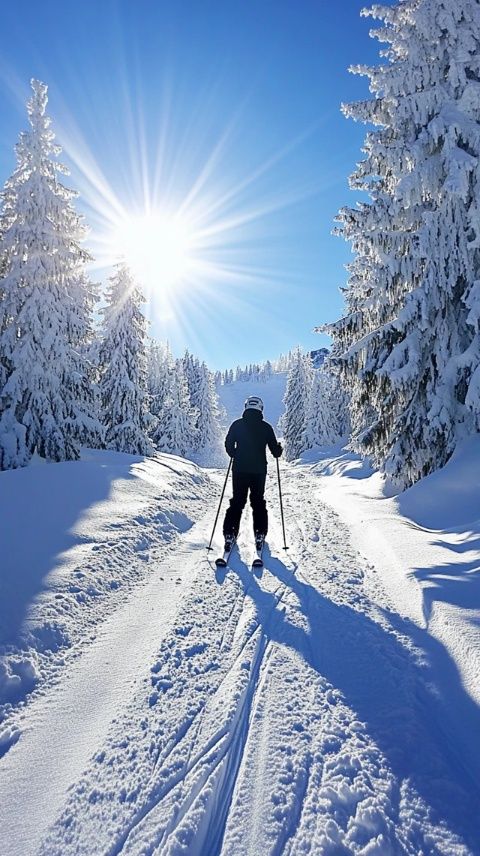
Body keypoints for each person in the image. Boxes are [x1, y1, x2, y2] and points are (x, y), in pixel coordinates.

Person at [222, 395, 282, 550]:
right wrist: (278, 449)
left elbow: (228, 444)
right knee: (258, 502)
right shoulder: (266, 427)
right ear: (260, 408)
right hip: (258, 471)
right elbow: (275, 452)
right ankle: (260, 533)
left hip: (239, 469)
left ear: (246, 407)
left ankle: (230, 534)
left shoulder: (237, 425)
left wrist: (234, 453)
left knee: (237, 501)